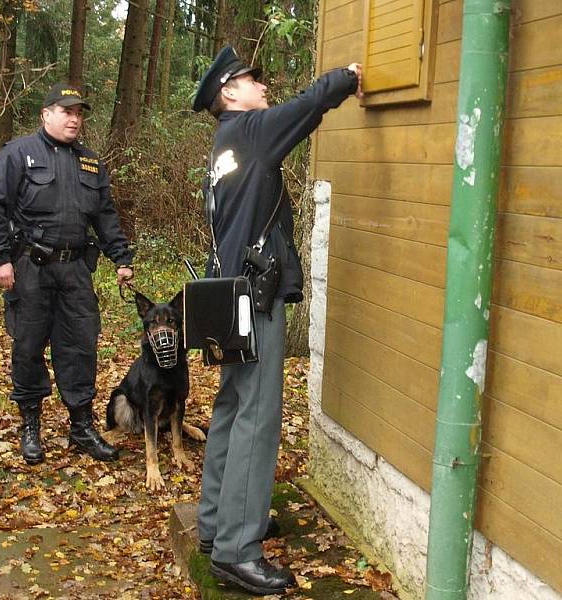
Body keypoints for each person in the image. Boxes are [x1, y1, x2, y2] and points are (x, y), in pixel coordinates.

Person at [192, 46, 363, 595]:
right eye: (251, 80)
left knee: (232, 407)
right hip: (253, 298)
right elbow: (307, 105)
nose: (262, 87)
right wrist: (348, 78)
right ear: (229, 94)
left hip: (228, 295)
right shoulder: (248, 132)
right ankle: (237, 551)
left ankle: (218, 521)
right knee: (257, 418)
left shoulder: (223, 148)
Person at [0, 82, 134, 465]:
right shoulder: (18, 154)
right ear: (46, 114)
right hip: (30, 267)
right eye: (67, 112)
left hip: (76, 269)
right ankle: (30, 424)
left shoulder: (90, 162)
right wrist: (0, 258)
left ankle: (81, 426)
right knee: (28, 346)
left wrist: (121, 257)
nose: (75, 119)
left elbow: (105, 215)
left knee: (80, 345)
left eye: (79, 113)